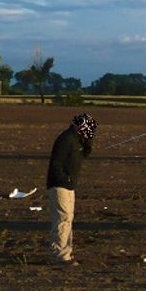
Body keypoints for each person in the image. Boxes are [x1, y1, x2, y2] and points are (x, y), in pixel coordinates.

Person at [47, 113, 96, 266]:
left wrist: (88, 141)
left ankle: (66, 253)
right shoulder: (66, 139)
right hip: (60, 185)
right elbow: (56, 163)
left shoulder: (78, 140)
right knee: (62, 219)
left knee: (68, 219)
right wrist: (65, 179)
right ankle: (60, 256)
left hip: (69, 186)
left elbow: (85, 153)